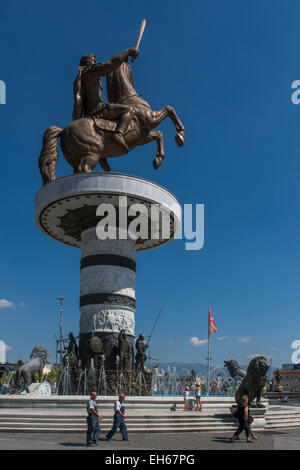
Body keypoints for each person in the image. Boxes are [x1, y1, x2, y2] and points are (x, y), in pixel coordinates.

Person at [72, 48, 140, 152]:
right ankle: (119, 135)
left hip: (88, 113)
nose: (95, 62)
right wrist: (128, 52)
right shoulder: (91, 70)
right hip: (99, 109)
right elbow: (110, 64)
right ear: (89, 62)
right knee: (130, 110)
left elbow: (78, 101)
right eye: (94, 60)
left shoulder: (81, 77)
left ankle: (102, 154)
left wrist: (77, 119)